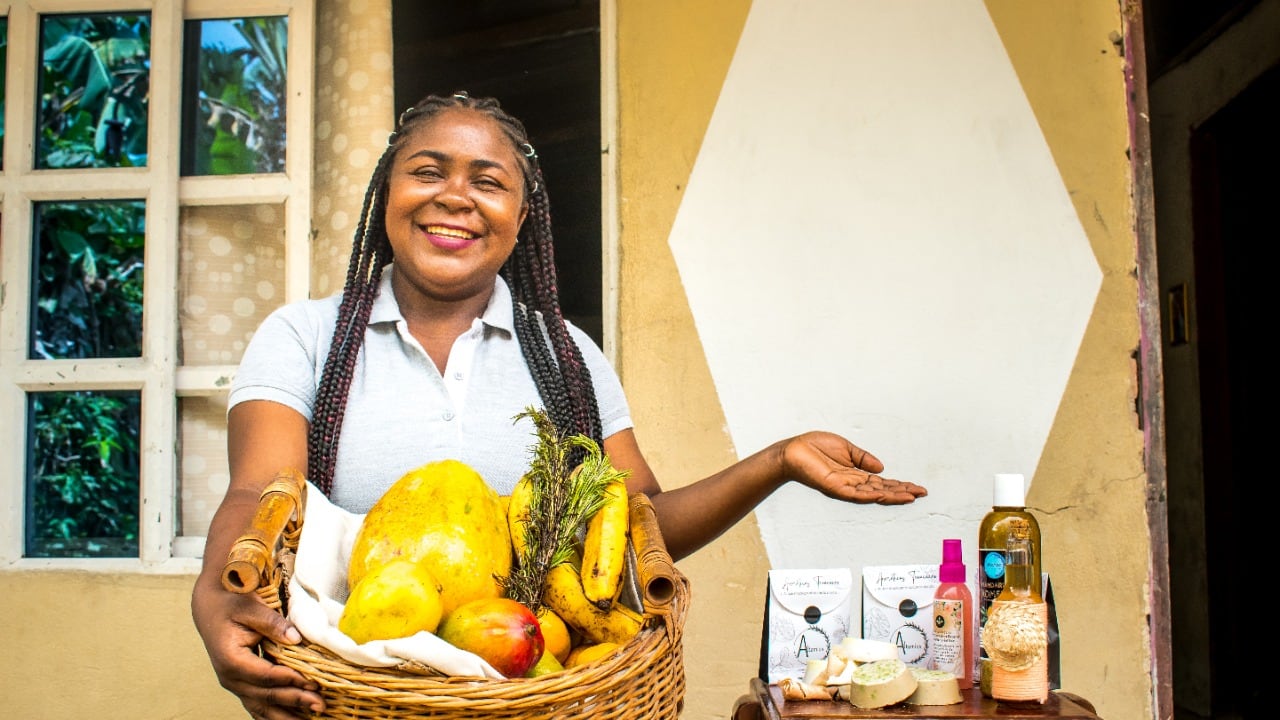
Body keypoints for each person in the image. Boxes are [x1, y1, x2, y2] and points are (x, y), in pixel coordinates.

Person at [190, 91, 927, 719]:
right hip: (356, 693)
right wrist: (215, 596)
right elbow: (260, 492)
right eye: (427, 171)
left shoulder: (567, 357)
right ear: (388, 193)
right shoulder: (306, 337)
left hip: (537, 692)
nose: (455, 196)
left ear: (520, 217)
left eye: (488, 181)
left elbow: (638, 527)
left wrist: (775, 462)